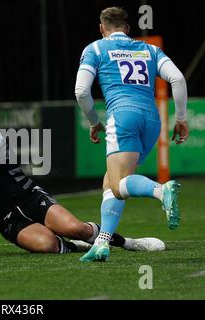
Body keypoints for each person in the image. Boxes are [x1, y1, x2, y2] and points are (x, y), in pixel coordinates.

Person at [0, 104, 165, 254]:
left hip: (30, 198)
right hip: (6, 217)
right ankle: (75, 247)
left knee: (76, 227)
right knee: (48, 246)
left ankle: (128, 243)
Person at [74, 7, 188, 262]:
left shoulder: (96, 48)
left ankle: (161, 191)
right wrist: (180, 118)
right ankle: (102, 242)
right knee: (110, 183)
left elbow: (81, 91)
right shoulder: (149, 49)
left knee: (118, 184)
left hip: (122, 116)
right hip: (151, 120)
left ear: (102, 28)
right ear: (127, 28)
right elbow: (178, 79)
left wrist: (93, 121)